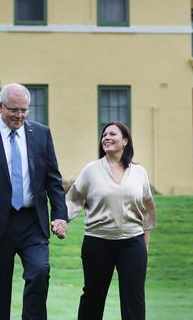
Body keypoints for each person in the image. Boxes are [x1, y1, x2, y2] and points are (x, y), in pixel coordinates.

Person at [0, 83, 68, 320]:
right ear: (0, 106)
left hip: (32, 222)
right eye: (14, 110)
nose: (20, 116)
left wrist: (60, 215)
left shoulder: (41, 133)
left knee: (40, 272)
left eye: (24, 110)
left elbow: (53, 179)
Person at [66, 122, 157, 320]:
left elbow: (147, 211)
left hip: (133, 243)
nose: (106, 137)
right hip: (97, 242)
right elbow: (73, 199)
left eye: (112, 134)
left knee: (134, 298)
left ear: (125, 141)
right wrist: (61, 221)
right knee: (93, 297)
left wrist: (144, 246)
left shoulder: (139, 172)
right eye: (104, 134)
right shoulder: (91, 170)